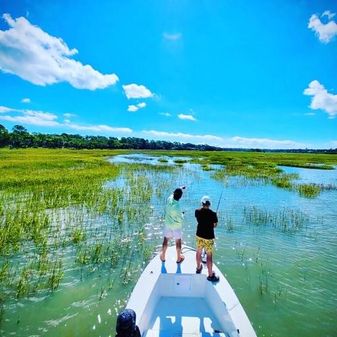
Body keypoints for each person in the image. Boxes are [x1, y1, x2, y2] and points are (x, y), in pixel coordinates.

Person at [195, 195, 219, 282]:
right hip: (209, 237)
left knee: (198, 251)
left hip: (199, 235)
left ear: (202, 203)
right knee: (209, 255)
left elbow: (198, 220)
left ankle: (198, 268)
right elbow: (215, 225)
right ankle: (210, 275)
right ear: (209, 204)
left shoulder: (197, 211)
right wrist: (213, 220)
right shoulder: (213, 214)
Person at [160, 187, 185, 264]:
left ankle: (163, 256)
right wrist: (182, 215)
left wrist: (180, 188)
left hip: (168, 224)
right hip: (176, 226)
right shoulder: (178, 207)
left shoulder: (169, 199)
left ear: (173, 193)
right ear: (180, 197)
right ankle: (178, 258)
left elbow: (172, 194)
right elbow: (181, 219)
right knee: (178, 242)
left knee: (165, 240)